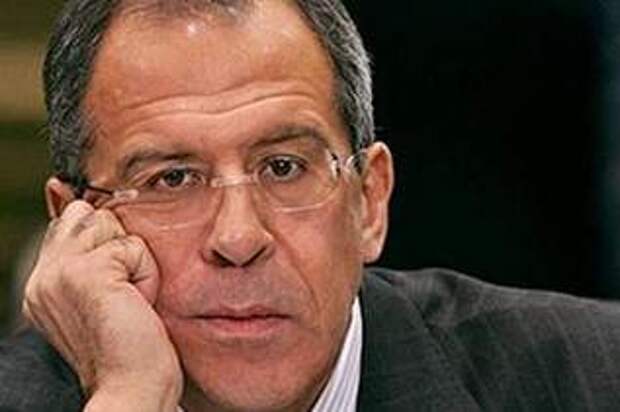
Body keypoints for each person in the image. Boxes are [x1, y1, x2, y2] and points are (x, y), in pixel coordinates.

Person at [2, 0, 620, 411]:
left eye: (284, 167)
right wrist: (131, 395)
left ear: (369, 201)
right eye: (173, 179)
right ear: (74, 224)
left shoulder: (593, 376)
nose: (239, 238)